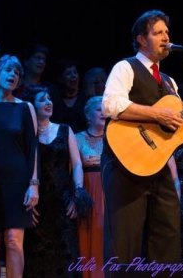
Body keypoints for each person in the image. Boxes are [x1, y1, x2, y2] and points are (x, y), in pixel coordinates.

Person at [100, 9, 183, 266]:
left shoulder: (169, 82)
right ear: (141, 38)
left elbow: (176, 129)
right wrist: (156, 114)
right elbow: (110, 105)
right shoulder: (125, 67)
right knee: (124, 242)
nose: (166, 38)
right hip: (124, 165)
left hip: (158, 167)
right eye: (158, 32)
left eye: (167, 32)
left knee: (167, 236)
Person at [23, 85, 85, 278]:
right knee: (37, 258)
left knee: (66, 254)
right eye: (42, 100)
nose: (48, 102)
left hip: (63, 203)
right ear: (33, 106)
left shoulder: (65, 131)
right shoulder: (27, 135)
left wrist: (77, 195)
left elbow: (76, 165)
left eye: (49, 99)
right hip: (38, 205)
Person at [0, 55, 39, 278]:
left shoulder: (25, 108)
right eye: (8, 70)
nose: (12, 76)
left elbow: (32, 147)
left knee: (13, 241)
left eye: (17, 73)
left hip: (18, 181)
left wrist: (34, 184)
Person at [75, 95, 105, 278]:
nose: (103, 113)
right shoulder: (77, 138)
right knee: (85, 233)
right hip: (88, 188)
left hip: (109, 190)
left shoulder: (114, 138)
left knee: (105, 233)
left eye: (105, 110)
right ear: (88, 115)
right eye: (98, 109)